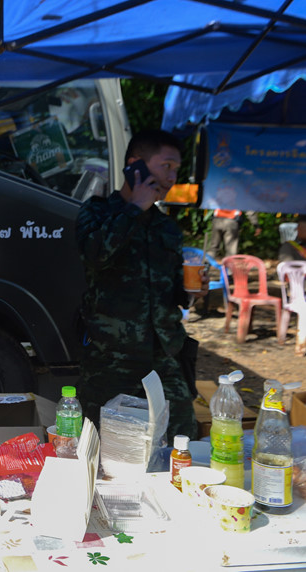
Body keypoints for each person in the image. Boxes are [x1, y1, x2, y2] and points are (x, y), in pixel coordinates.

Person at [75, 129, 208, 442]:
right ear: (136, 165)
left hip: (165, 356)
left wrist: (191, 291)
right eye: (167, 166)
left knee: (180, 441)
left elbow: (173, 292)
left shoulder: (167, 228)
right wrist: (134, 208)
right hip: (112, 359)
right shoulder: (95, 212)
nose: (173, 176)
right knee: (100, 447)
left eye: (176, 169)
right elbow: (96, 256)